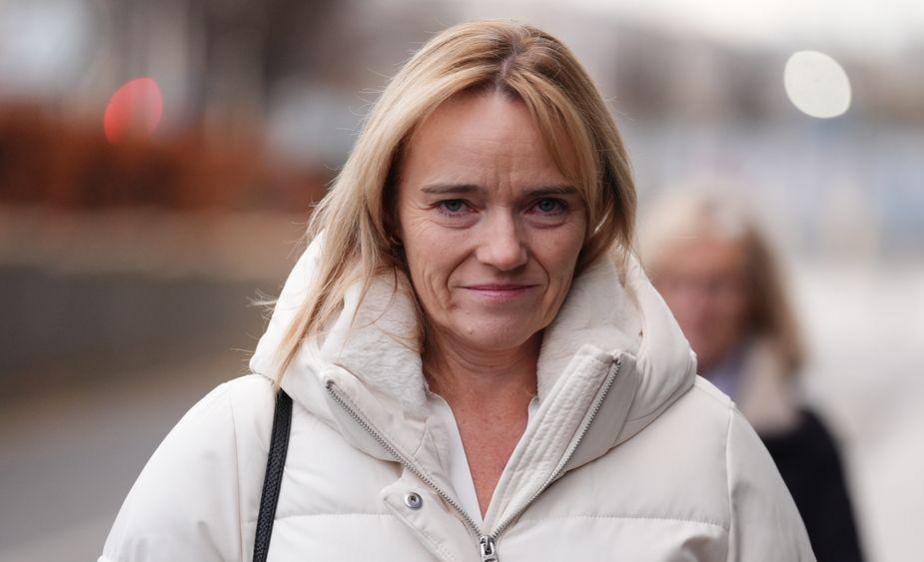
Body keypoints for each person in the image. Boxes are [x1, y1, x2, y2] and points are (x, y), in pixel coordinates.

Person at [99, 22, 815, 561]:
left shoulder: (711, 453)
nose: (503, 251)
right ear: (386, 214)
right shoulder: (240, 447)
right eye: (454, 205)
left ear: (594, 217)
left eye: (545, 205)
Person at [641, 191, 864, 562]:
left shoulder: (805, 441)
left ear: (756, 296)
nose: (699, 304)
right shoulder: (611, 425)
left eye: (718, 284)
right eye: (679, 283)